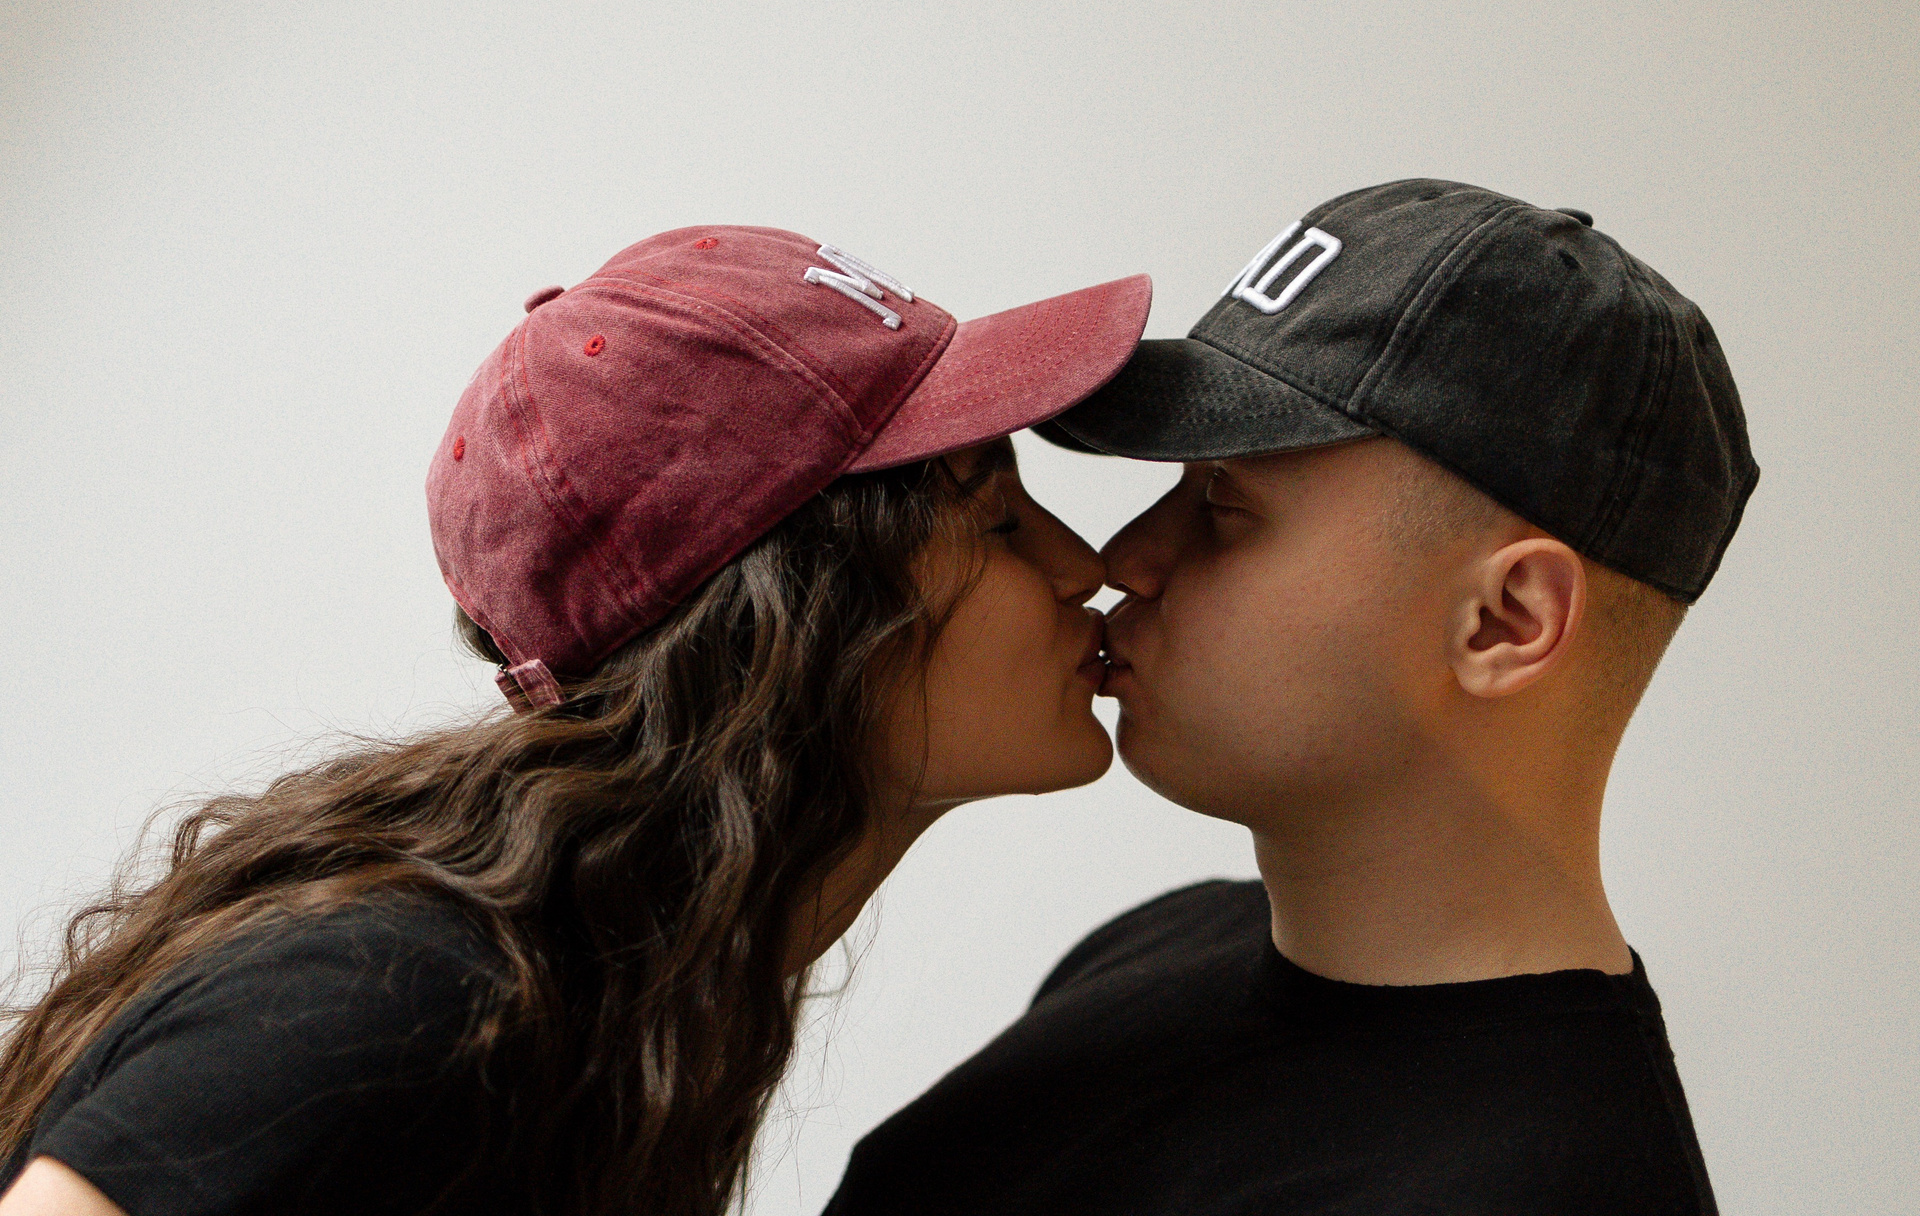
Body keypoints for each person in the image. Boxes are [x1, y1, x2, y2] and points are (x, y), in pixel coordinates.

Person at [0, 227, 1151, 1216]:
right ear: (789, 622)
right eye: (998, 520)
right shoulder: (407, 997)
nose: (1083, 563)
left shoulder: (645, 995)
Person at [824, 180, 1757, 1214]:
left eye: (1223, 506)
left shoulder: (1539, 1187)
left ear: (1505, 621)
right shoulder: (1166, 941)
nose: (1124, 558)